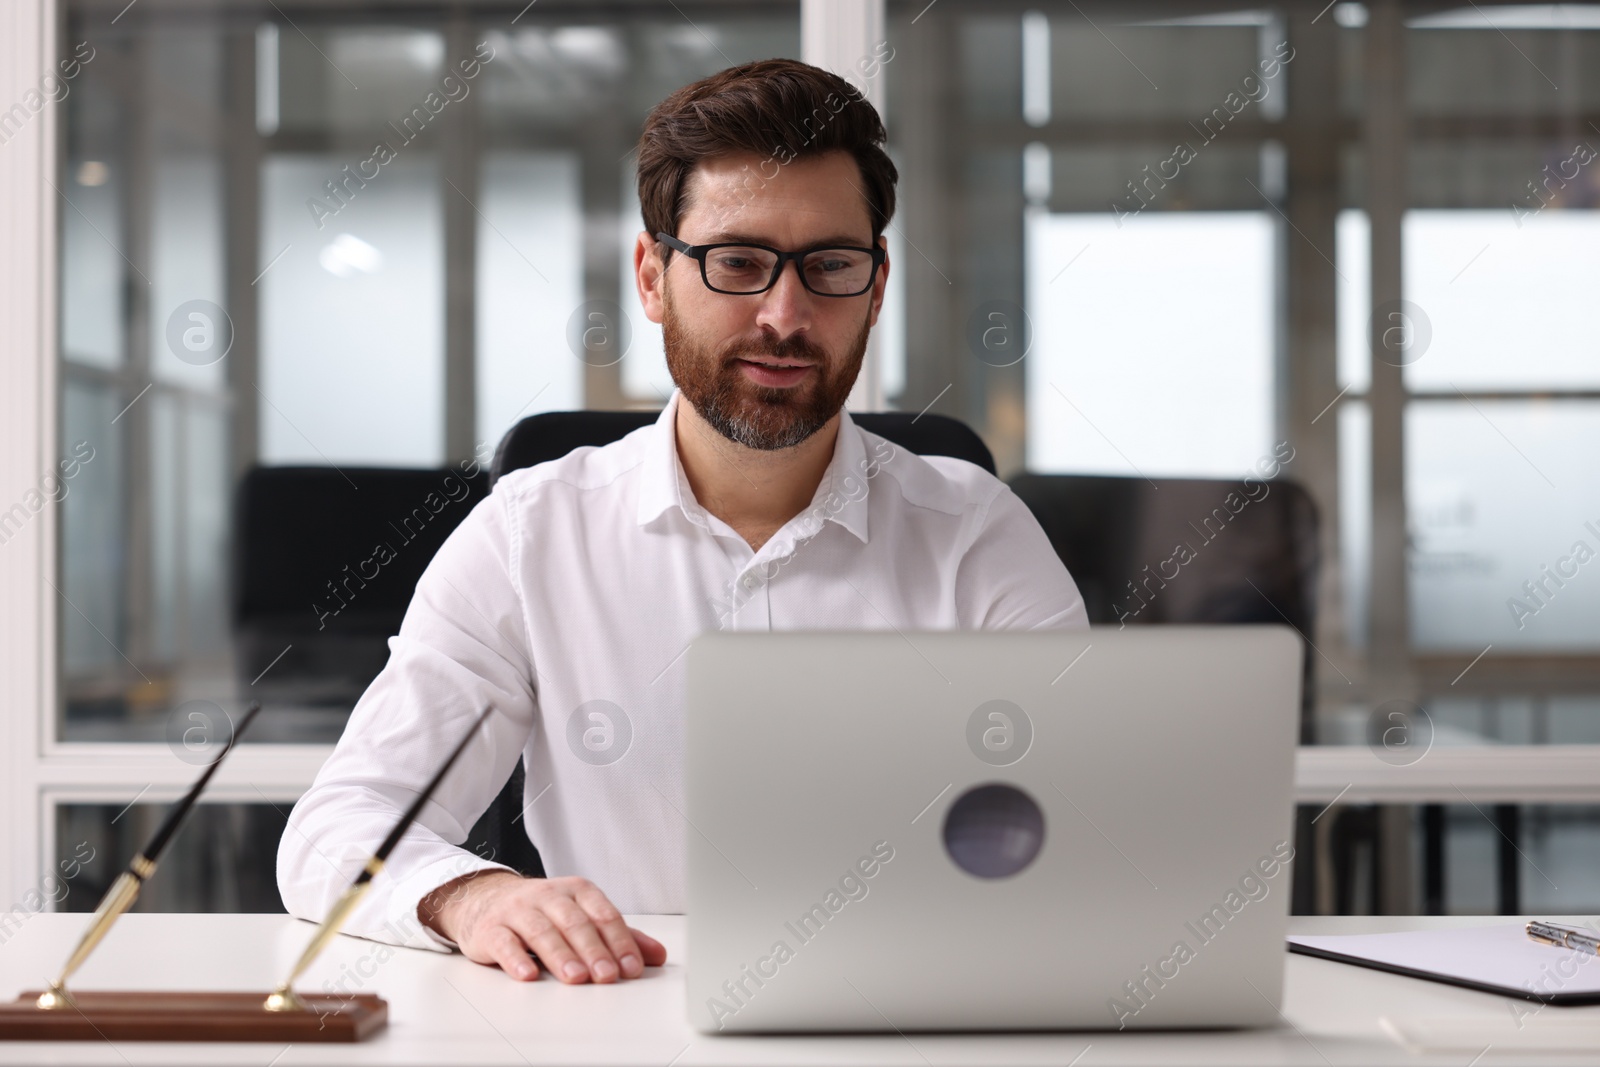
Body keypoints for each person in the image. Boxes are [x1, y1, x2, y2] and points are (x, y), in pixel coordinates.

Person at [277, 57, 1087, 987]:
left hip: (916, 1015)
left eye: (829, 265)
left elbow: (1094, 819)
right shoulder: (529, 534)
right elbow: (337, 830)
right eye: (737, 262)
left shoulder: (976, 532)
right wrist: (475, 896)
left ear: (875, 285)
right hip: (627, 1017)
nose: (785, 314)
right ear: (653, 277)